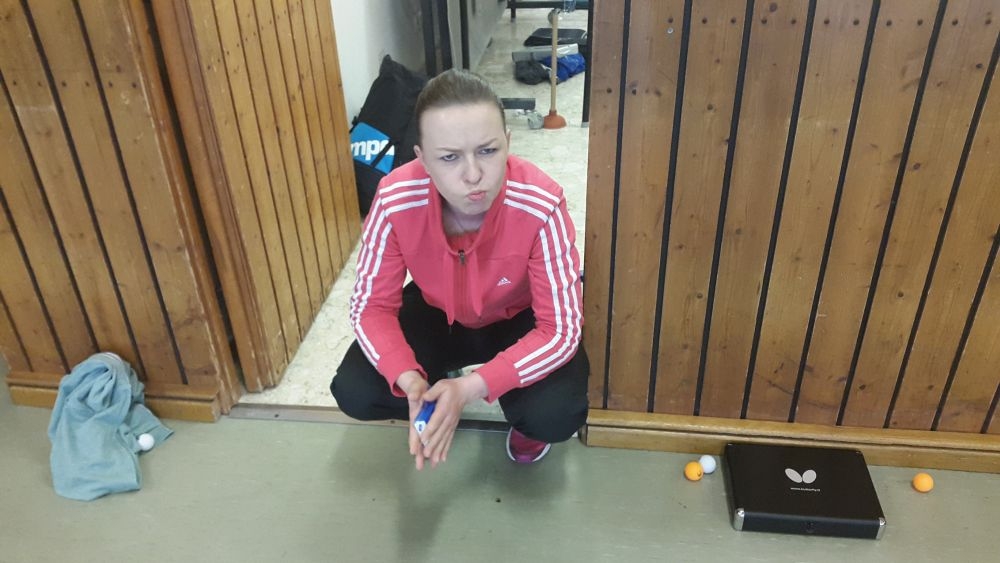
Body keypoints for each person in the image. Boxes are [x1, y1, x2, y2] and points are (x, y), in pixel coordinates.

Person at [331, 69, 588, 470]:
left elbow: (561, 330)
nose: (473, 175)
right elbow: (370, 308)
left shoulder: (541, 202)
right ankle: (435, 385)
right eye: (449, 157)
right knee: (356, 390)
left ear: (508, 143)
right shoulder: (395, 198)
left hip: (518, 314)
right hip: (438, 311)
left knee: (554, 413)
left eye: (487, 151)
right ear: (422, 159)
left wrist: (471, 387)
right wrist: (409, 380)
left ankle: (522, 423)